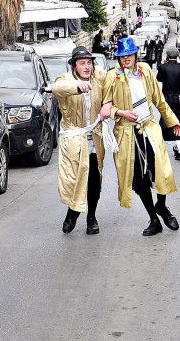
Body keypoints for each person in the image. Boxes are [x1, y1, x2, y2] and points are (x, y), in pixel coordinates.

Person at [100, 37, 180, 236]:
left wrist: (172, 121)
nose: (126, 59)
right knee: (138, 179)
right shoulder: (113, 77)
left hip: (149, 127)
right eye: (122, 56)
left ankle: (161, 206)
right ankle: (154, 219)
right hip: (127, 133)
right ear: (118, 58)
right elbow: (105, 108)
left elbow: (158, 99)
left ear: (136, 55)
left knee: (162, 169)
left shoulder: (145, 70)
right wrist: (122, 113)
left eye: (129, 55)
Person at [53, 47, 108, 235]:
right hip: (74, 139)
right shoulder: (65, 80)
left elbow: (114, 79)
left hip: (95, 136)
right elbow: (57, 89)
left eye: (89, 62)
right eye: (82, 63)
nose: (86, 67)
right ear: (74, 66)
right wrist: (77, 87)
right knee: (74, 179)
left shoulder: (98, 78)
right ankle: (72, 213)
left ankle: (91, 217)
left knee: (94, 179)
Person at [156, 48, 180, 161]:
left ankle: (162, 149)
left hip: (166, 99)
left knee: (166, 122)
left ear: (167, 55)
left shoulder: (163, 67)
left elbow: (158, 78)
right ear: (177, 55)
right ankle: (179, 148)